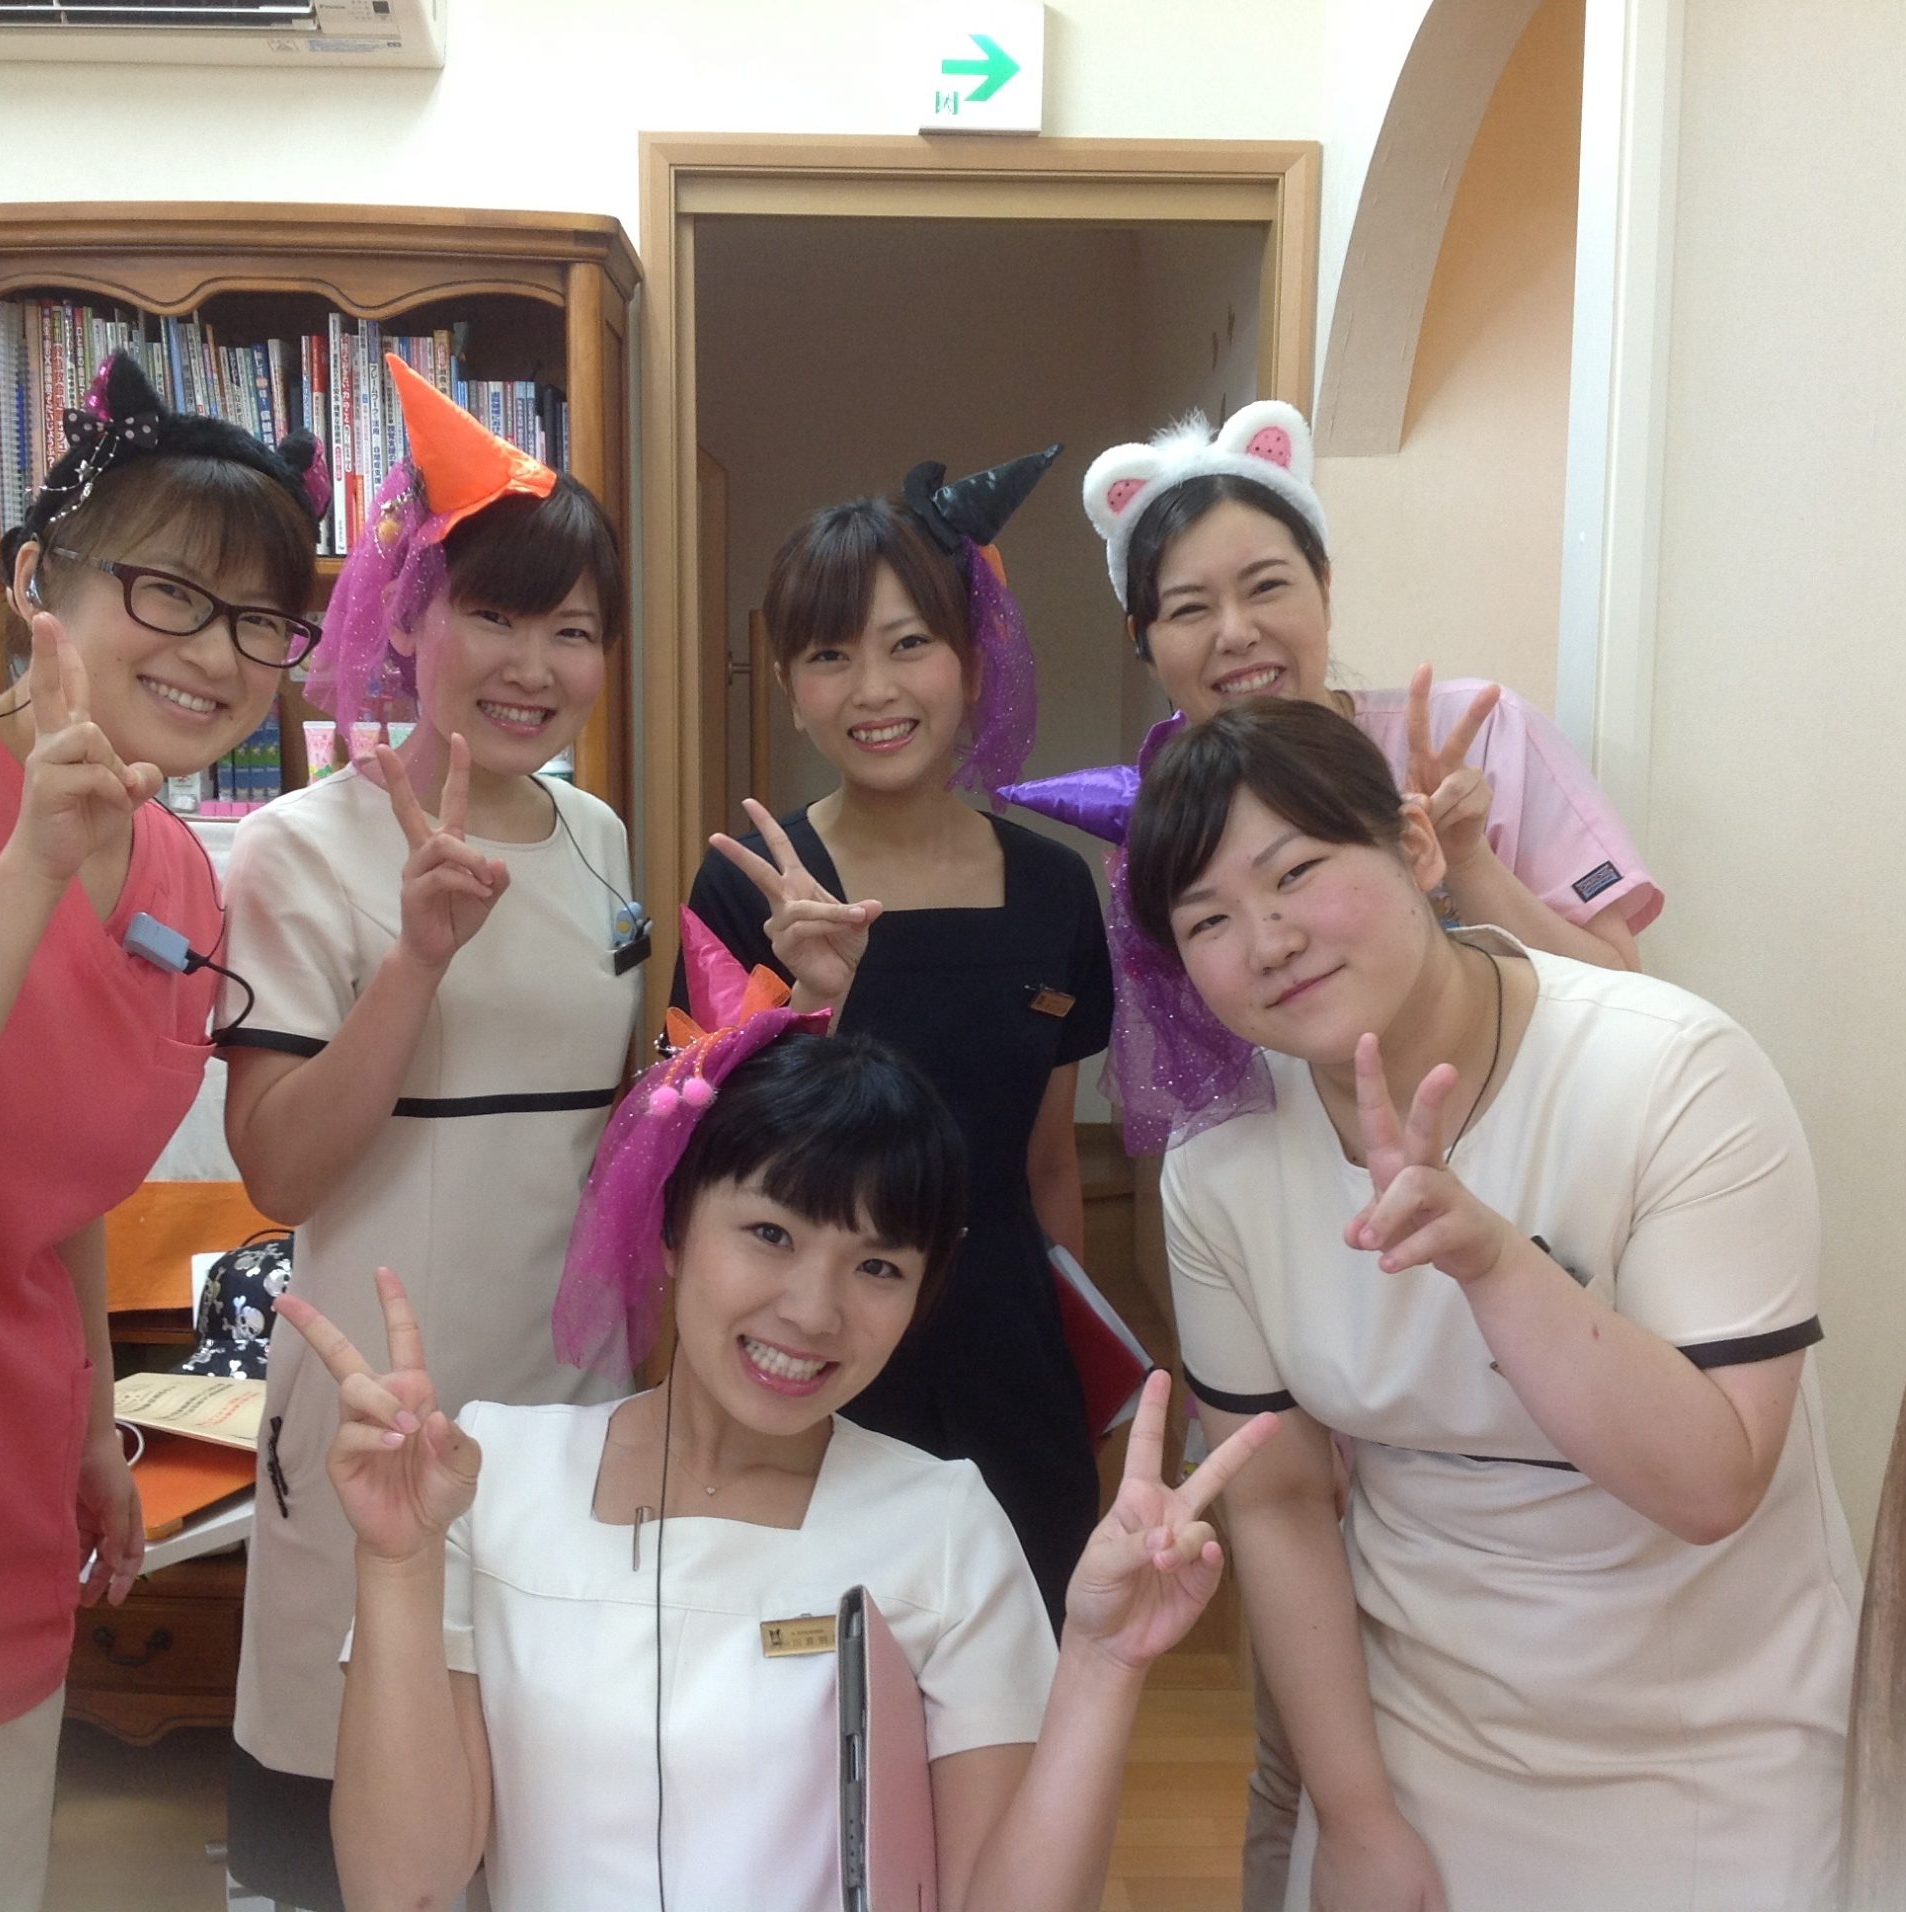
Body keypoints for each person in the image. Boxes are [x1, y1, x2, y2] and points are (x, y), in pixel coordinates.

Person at [291, 927, 1278, 1911]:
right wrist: (397, 1564)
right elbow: (403, 1890)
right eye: (770, 1233)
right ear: (673, 1225)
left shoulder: (944, 1527)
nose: (812, 1311)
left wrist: (1101, 1665)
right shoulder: (498, 1475)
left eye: (877, 1265)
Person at [1126, 699, 1859, 1910]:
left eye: (1295, 872)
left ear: (1416, 849)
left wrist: (1495, 1264)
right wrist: (1355, 1816)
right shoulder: (1220, 1163)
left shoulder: (1671, 1069)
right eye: (1207, 918)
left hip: (1709, 1725)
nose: (1267, 940)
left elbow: (1711, 1482)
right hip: (1418, 1715)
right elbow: (1279, 1500)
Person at [0, 352, 325, 1912]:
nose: (217, 652)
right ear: (39, 580)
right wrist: (29, 863)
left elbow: (66, 1189)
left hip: (15, 1476)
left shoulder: (181, 872)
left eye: (260, 620)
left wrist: (97, 1428)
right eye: (170, 592)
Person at [217, 356, 640, 1908]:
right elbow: (279, 1168)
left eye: (573, 628)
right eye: (497, 615)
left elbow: (609, 1140)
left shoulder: (598, 838)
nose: (535, 664)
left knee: (545, 1819)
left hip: (574, 1412)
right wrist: (415, 960)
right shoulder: (295, 849)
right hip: (381, 1413)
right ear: (408, 617)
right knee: (363, 1823)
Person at [682, 450, 1115, 1625]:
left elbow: (1048, 1165)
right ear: (789, 688)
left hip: (1008, 1351)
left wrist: (1080, 1371)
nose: (872, 688)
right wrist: (809, 999)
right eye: (829, 655)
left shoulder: (1053, 890)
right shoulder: (750, 889)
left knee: (1023, 1654)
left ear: (972, 662)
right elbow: (708, 1174)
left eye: (907, 643)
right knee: (814, 1677)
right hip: (811, 1349)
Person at [1005, 397, 1658, 1158]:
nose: (1236, 632)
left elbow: (1624, 993)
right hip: (1307, 1177)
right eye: (1188, 609)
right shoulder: (1164, 824)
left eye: (1266, 586)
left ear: (1324, 583)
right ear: (1142, 641)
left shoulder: (1481, 738)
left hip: (1527, 1140)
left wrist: (1466, 861)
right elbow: (1199, 1089)